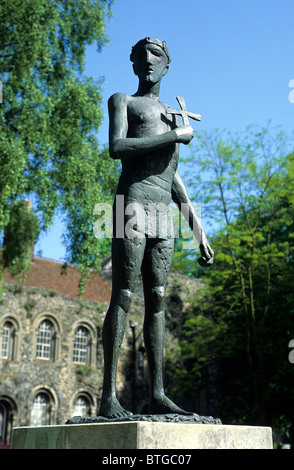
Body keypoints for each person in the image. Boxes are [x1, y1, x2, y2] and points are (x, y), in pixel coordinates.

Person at [99, 37, 214, 419]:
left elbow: (174, 177)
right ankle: (107, 397)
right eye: (142, 55)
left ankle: (159, 393)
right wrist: (173, 136)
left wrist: (198, 231)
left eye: (157, 55)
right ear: (133, 64)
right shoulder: (123, 101)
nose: (149, 60)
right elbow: (117, 147)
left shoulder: (171, 111)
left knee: (159, 299)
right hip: (132, 202)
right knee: (124, 293)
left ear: (167, 65)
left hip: (164, 213)